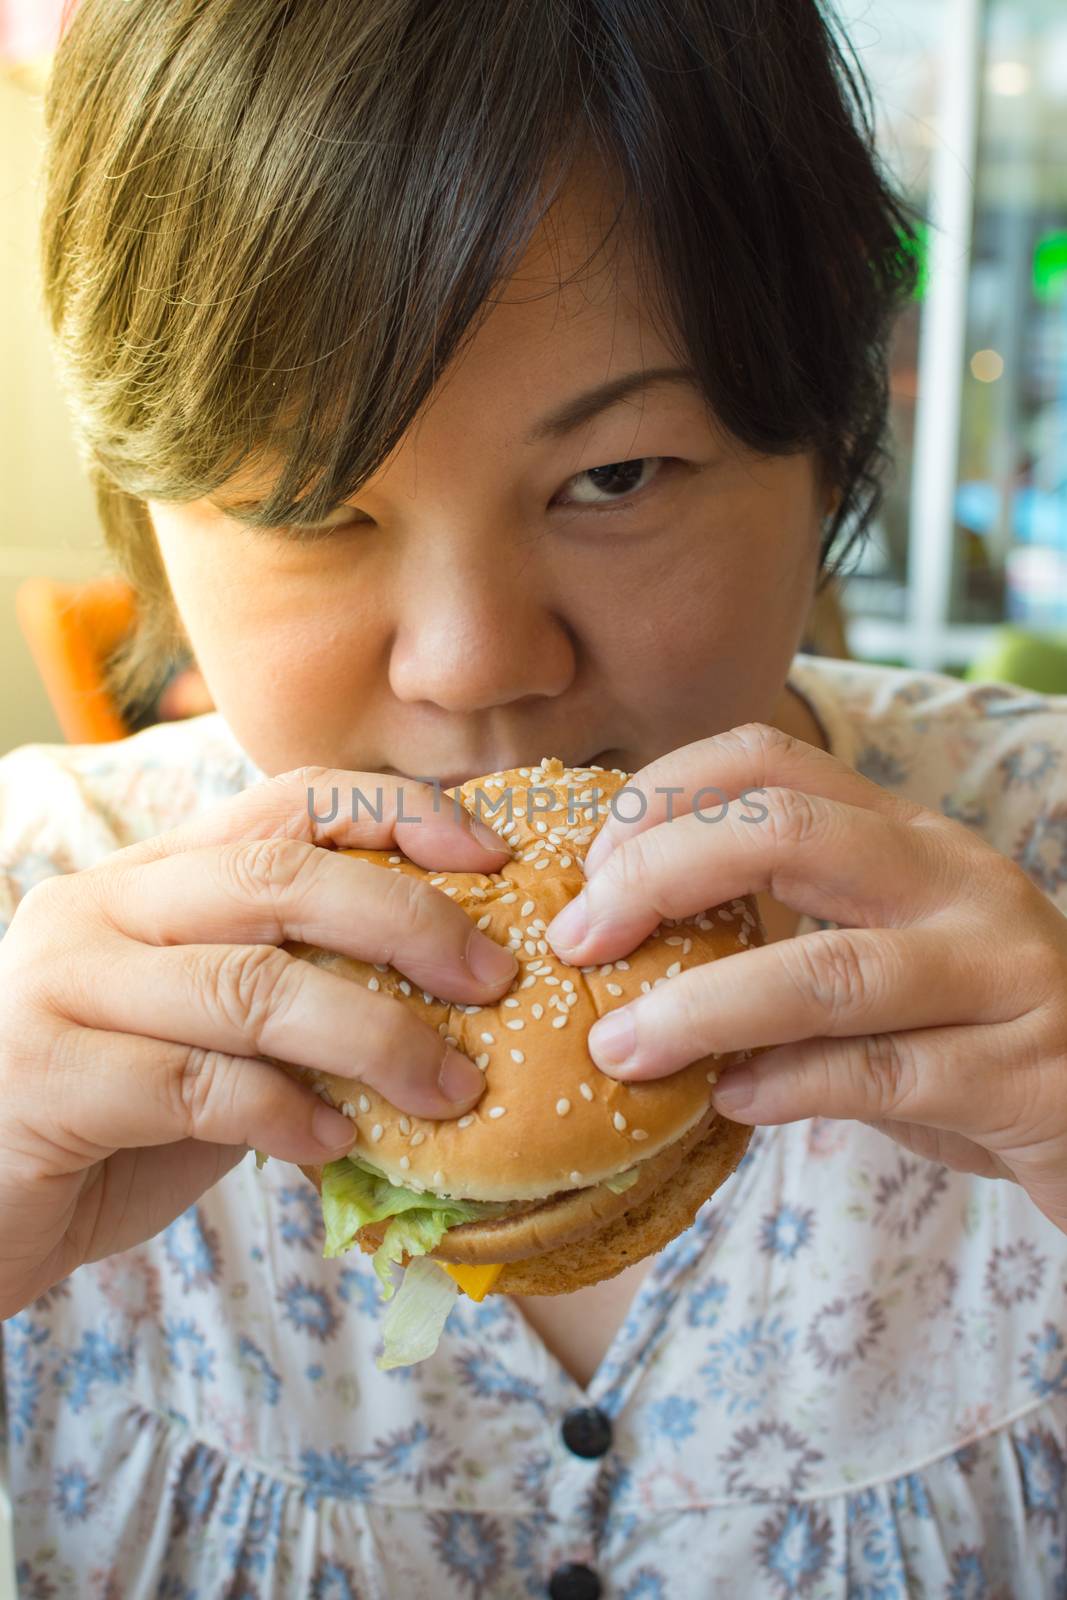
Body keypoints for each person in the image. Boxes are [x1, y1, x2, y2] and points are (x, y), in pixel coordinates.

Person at [2, 1, 1066, 1593]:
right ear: (149, 513)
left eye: (618, 477)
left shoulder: (1040, 875)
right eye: (311, 502)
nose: (473, 663)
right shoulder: (30, 912)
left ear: (831, 448)